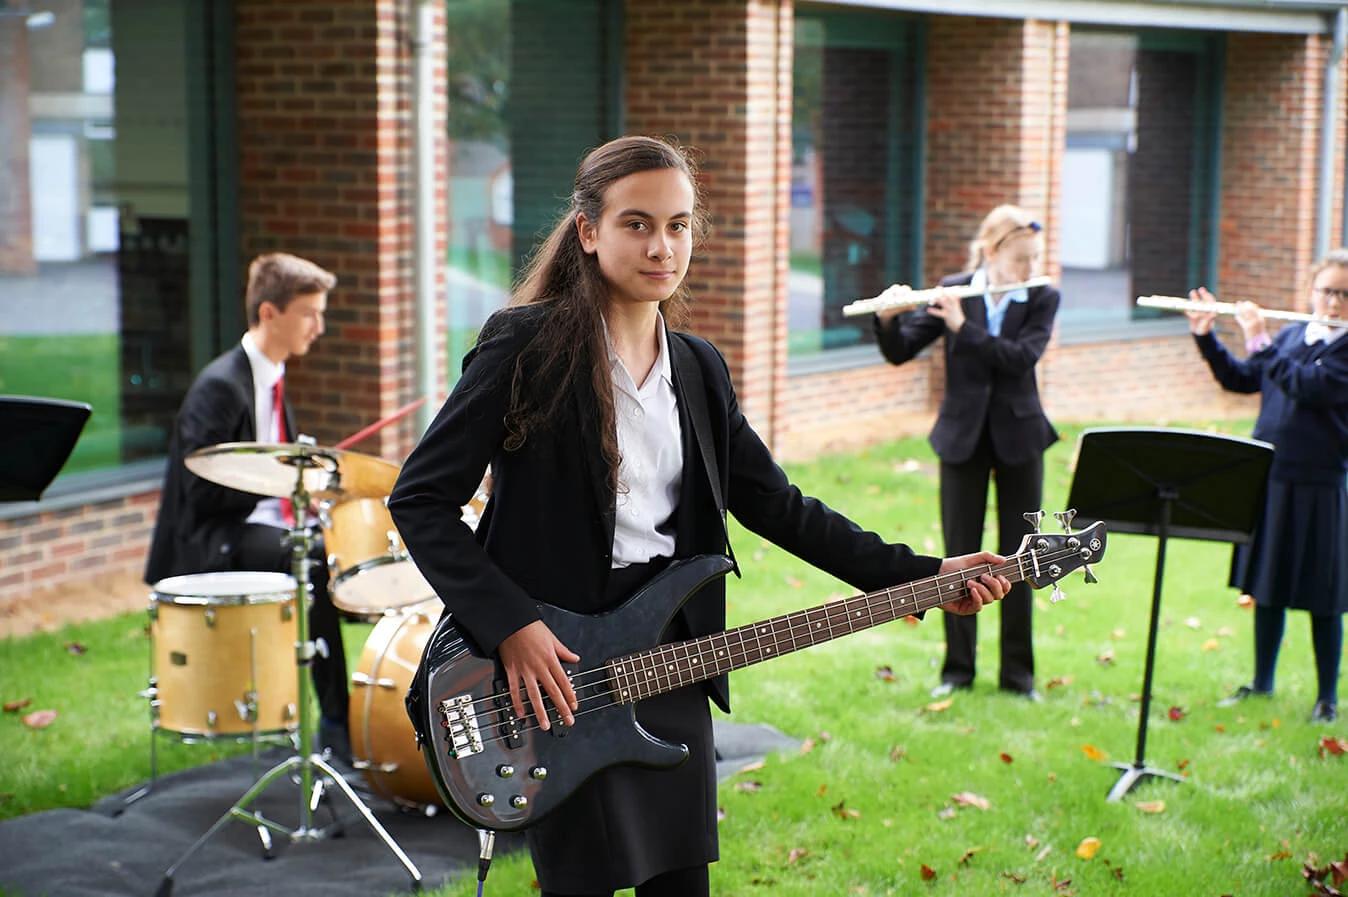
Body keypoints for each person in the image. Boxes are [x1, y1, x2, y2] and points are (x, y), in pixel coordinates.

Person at [386, 135, 1011, 897]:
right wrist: (512, 627)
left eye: (678, 225)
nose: (662, 245)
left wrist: (922, 572)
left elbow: (778, 506)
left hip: (671, 654)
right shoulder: (524, 345)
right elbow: (419, 497)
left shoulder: (699, 367)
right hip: (559, 670)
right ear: (589, 232)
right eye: (638, 223)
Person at [143, 252, 352, 759]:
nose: (319, 328)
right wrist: (282, 481)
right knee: (317, 561)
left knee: (343, 552)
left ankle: (365, 709)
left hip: (257, 526)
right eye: (309, 314)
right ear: (268, 313)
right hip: (212, 539)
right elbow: (202, 493)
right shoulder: (220, 387)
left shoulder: (272, 380)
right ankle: (338, 727)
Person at [872, 204, 1060, 702]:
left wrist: (962, 328)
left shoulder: (1042, 295)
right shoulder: (956, 287)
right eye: (1021, 258)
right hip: (962, 438)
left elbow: (1021, 358)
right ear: (992, 251)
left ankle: (1019, 676)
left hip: (1021, 439)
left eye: (1034, 258)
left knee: (1024, 556)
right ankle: (958, 670)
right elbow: (901, 350)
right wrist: (888, 319)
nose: (1029, 268)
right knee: (959, 555)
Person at [1186, 251, 1348, 724]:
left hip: (1321, 485)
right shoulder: (1295, 335)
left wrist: (1259, 338)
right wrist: (1207, 336)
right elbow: (1242, 378)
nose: (1334, 303)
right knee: (1268, 586)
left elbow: (1307, 387)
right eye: (1327, 291)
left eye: (1344, 294)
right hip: (1273, 478)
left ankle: (1326, 698)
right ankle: (1262, 683)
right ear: (1311, 292)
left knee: (1325, 595)